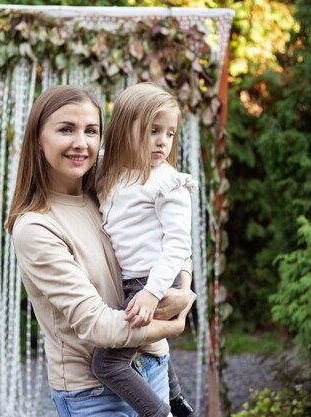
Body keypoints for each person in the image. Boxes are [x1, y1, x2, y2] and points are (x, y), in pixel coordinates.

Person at [7, 85, 196, 417]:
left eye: (91, 131)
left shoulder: (109, 189)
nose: (81, 143)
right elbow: (98, 326)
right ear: (38, 137)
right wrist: (174, 322)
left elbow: (172, 244)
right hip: (94, 393)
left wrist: (182, 287)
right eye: (66, 129)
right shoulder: (36, 227)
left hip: (153, 364)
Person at [93, 82, 197, 417]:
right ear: (124, 129)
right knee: (149, 345)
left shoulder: (168, 183)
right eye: (153, 130)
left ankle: (159, 412)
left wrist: (154, 292)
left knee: (107, 364)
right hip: (131, 280)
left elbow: (179, 243)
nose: (163, 142)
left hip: (149, 282)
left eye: (170, 133)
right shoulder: (113, 169)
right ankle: (178, 401)